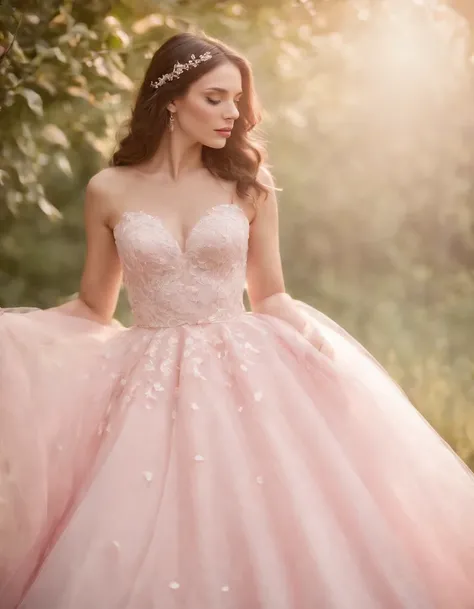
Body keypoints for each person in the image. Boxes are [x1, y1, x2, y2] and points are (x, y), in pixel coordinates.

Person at [0, 31, 473, 609]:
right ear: (172, 99)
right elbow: (95, 306)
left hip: (244, 372)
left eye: (237, 101)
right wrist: (20, 332)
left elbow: (269, 294)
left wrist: (310, 340)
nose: (232, 115)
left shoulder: (249, 185)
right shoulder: (108, 189)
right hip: (145, 383)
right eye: (215, 98)